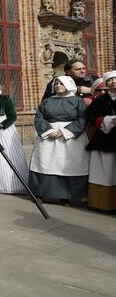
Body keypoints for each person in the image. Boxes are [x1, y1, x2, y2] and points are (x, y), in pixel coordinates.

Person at [29, 76, 90, 206]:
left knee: (66, 165)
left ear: (68, 84)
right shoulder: (47, 102)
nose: (57, 85)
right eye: (56, 83)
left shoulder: (77, 101)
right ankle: (40, 193)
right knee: (45, 163)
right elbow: (39, 118)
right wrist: (50, 131)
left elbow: (82, 119)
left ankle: (65, 196)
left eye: (61, 83)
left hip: (71, 138)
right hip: (49, 137)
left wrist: (65, 132)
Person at [84, 70, 116, 211]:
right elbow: (90, 115)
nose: (113, 82)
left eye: (115, 79)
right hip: (104, 139)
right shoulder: (100, 100)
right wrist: (107, 120)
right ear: (106, 84)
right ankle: (102, 203)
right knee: (104, 171)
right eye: (110, 80)